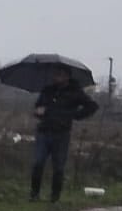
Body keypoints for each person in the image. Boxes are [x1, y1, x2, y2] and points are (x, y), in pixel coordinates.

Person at [30, 67, 99, 201]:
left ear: (67, 77)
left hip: (61, 134)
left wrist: (75, 115)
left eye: (60, 75)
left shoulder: (75, 92)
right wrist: (38, 112)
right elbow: (38, 107)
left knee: (58, 167)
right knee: (38, 163)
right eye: (55, 74)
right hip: (44, 131)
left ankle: (55, 197)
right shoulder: (47, 91)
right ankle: (34, 194)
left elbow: (92, 106)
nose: (57, 77)